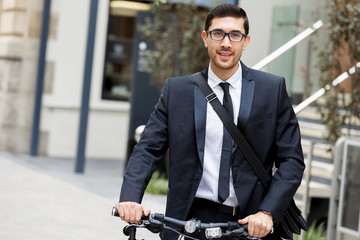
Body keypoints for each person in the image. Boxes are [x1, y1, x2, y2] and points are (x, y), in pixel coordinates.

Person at [117, 4, 305, 240]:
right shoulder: (177, 91)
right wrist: (130, 198)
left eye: (235, 35)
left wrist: (267, 212)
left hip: (250, 223)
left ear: (246, 41)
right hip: (189, 222)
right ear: (205, 38)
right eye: (218, 34)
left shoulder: (271, 89)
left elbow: (292, 160)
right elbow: (147, 149)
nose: (226, 43)